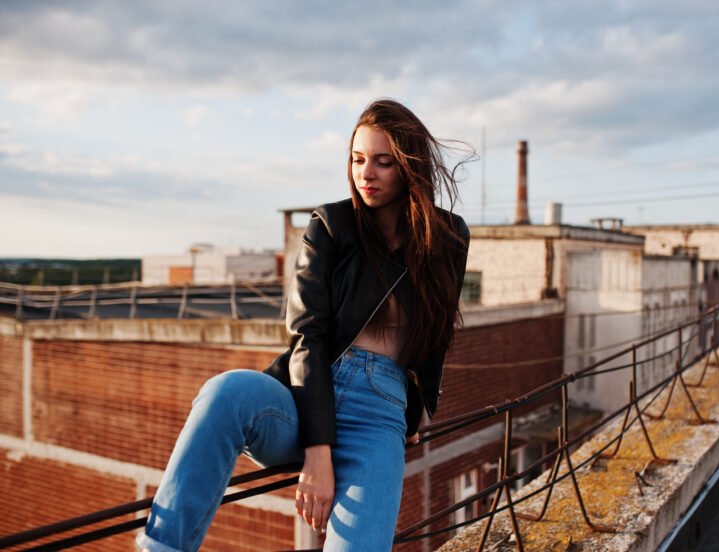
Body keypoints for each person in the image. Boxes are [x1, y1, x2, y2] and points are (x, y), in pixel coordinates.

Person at [136, 98, 470, 551]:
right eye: (357, 160)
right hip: (307, 393)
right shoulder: (331, 224)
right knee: (225, 392)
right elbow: (306, 335)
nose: (365, 173)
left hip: (379, 414)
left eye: (382, 162)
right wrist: (318, 452)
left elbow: (438, 329)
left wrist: (420, 408)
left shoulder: (447, 236)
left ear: (409, 166)